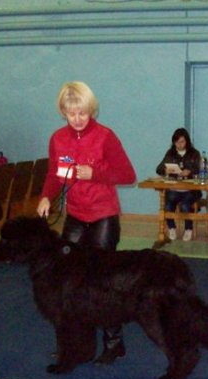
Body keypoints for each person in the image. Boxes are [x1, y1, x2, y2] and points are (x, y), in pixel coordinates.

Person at [37, 81, 136, 364]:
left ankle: (114, 342)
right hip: (76, 216)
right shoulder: (58, 139)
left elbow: (128, 174)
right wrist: (46, 198)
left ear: (90, 110)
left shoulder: (105, 136)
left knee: (102, 283)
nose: (78, 119)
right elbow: (54, 175)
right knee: (67, 283)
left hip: (103, 215)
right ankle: (74, 343)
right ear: (63, 112)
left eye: (82, 113)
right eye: (71, 114)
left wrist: (94, 173)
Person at [155, 128, 202, 241]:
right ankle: (171, 228)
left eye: (182, 142)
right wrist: (166, 170)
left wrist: (189, 171)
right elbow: (159, 168)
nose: (179, 145)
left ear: (187, 141)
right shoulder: (170, 153)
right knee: (167, 206)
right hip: (174, 189)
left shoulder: (194, 153)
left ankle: (188, 229)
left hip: (190, 190)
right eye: (176, 142)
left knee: (186, 206)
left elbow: (199, 169)